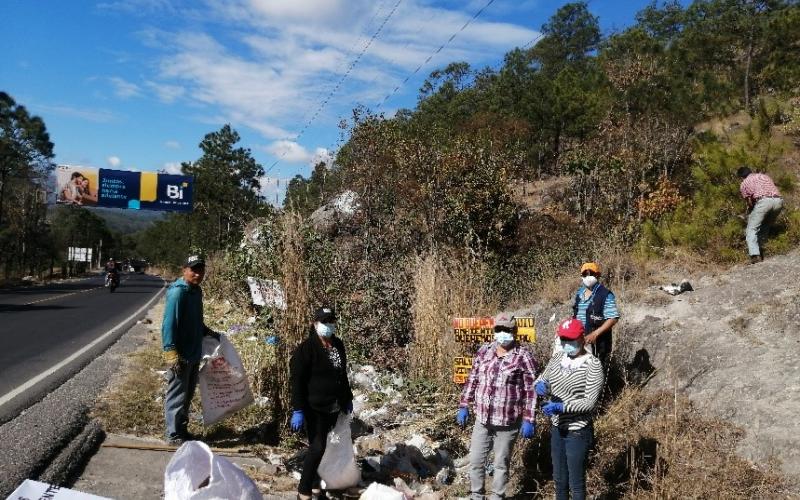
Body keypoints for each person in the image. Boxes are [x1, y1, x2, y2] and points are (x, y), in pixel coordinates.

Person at [457, 312, 538, 500]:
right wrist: (464, 405)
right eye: (499, 329)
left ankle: (497, 496)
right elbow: (473, 379)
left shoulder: (524, 357)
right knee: (476, 461)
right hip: (483, 419)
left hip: (508, 421)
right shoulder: (484, 351)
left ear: (515, 331)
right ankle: (477, 495)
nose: (502, 333)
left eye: (507, 330)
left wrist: (529, 418)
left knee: (501, 463)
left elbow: (531, 391)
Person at [290, 306, 354, 500]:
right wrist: (298, 409)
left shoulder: (338, 345)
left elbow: (342, 376)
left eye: (331, 321)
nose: (328, 325)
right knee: (317, 447)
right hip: (313, 406)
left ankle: (316, 486)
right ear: (315, 324)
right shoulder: (306, 350)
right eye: (324, 322)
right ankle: (303, 491)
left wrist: (347, 398)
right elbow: (297, 381)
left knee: (322, 447)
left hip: (333, 406)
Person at [536, 318, 604, 500]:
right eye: (564, 339)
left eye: (571, 339)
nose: (567, 344)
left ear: (582, 338)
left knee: (576, 483)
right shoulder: (558, 357)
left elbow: (589, 402)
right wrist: (541, 385)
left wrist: (562, 407)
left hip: (577, 431)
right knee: (559, 479)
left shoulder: (593, 365)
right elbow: (543, 378)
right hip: (558, 428)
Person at [162, 254, 219, 445]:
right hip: (180, 354)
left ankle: (182, 430)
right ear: (184, 270)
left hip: (194, 353)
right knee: (177, 395)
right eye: (193, 269)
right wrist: (171, 353)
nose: (197, 274)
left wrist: (208, 332)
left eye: (200, 269)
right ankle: (173, 434)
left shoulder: (196, 292)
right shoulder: (178, 292)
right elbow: (169, 325)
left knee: (187, 395)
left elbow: (195, 320)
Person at [571, 262, 619, 369]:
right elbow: (576, 314)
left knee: (596, 373)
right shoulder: (579, 293)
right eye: (584, 274)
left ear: (597, 275)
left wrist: (595, 334)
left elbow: (613, 318)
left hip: (598, 342)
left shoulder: (605, 294)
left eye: (591, 273)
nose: (587, 277)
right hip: (580, 341)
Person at [737, 166, 783, 263]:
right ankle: (763, 249)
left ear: (741, 177)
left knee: (751, 229)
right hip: (778, 201)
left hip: (763, 202)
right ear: (750, 172)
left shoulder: (744, 183)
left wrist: (750, 211)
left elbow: (749, 202)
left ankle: (755, 255)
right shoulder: (764, 176)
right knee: (765, 226)